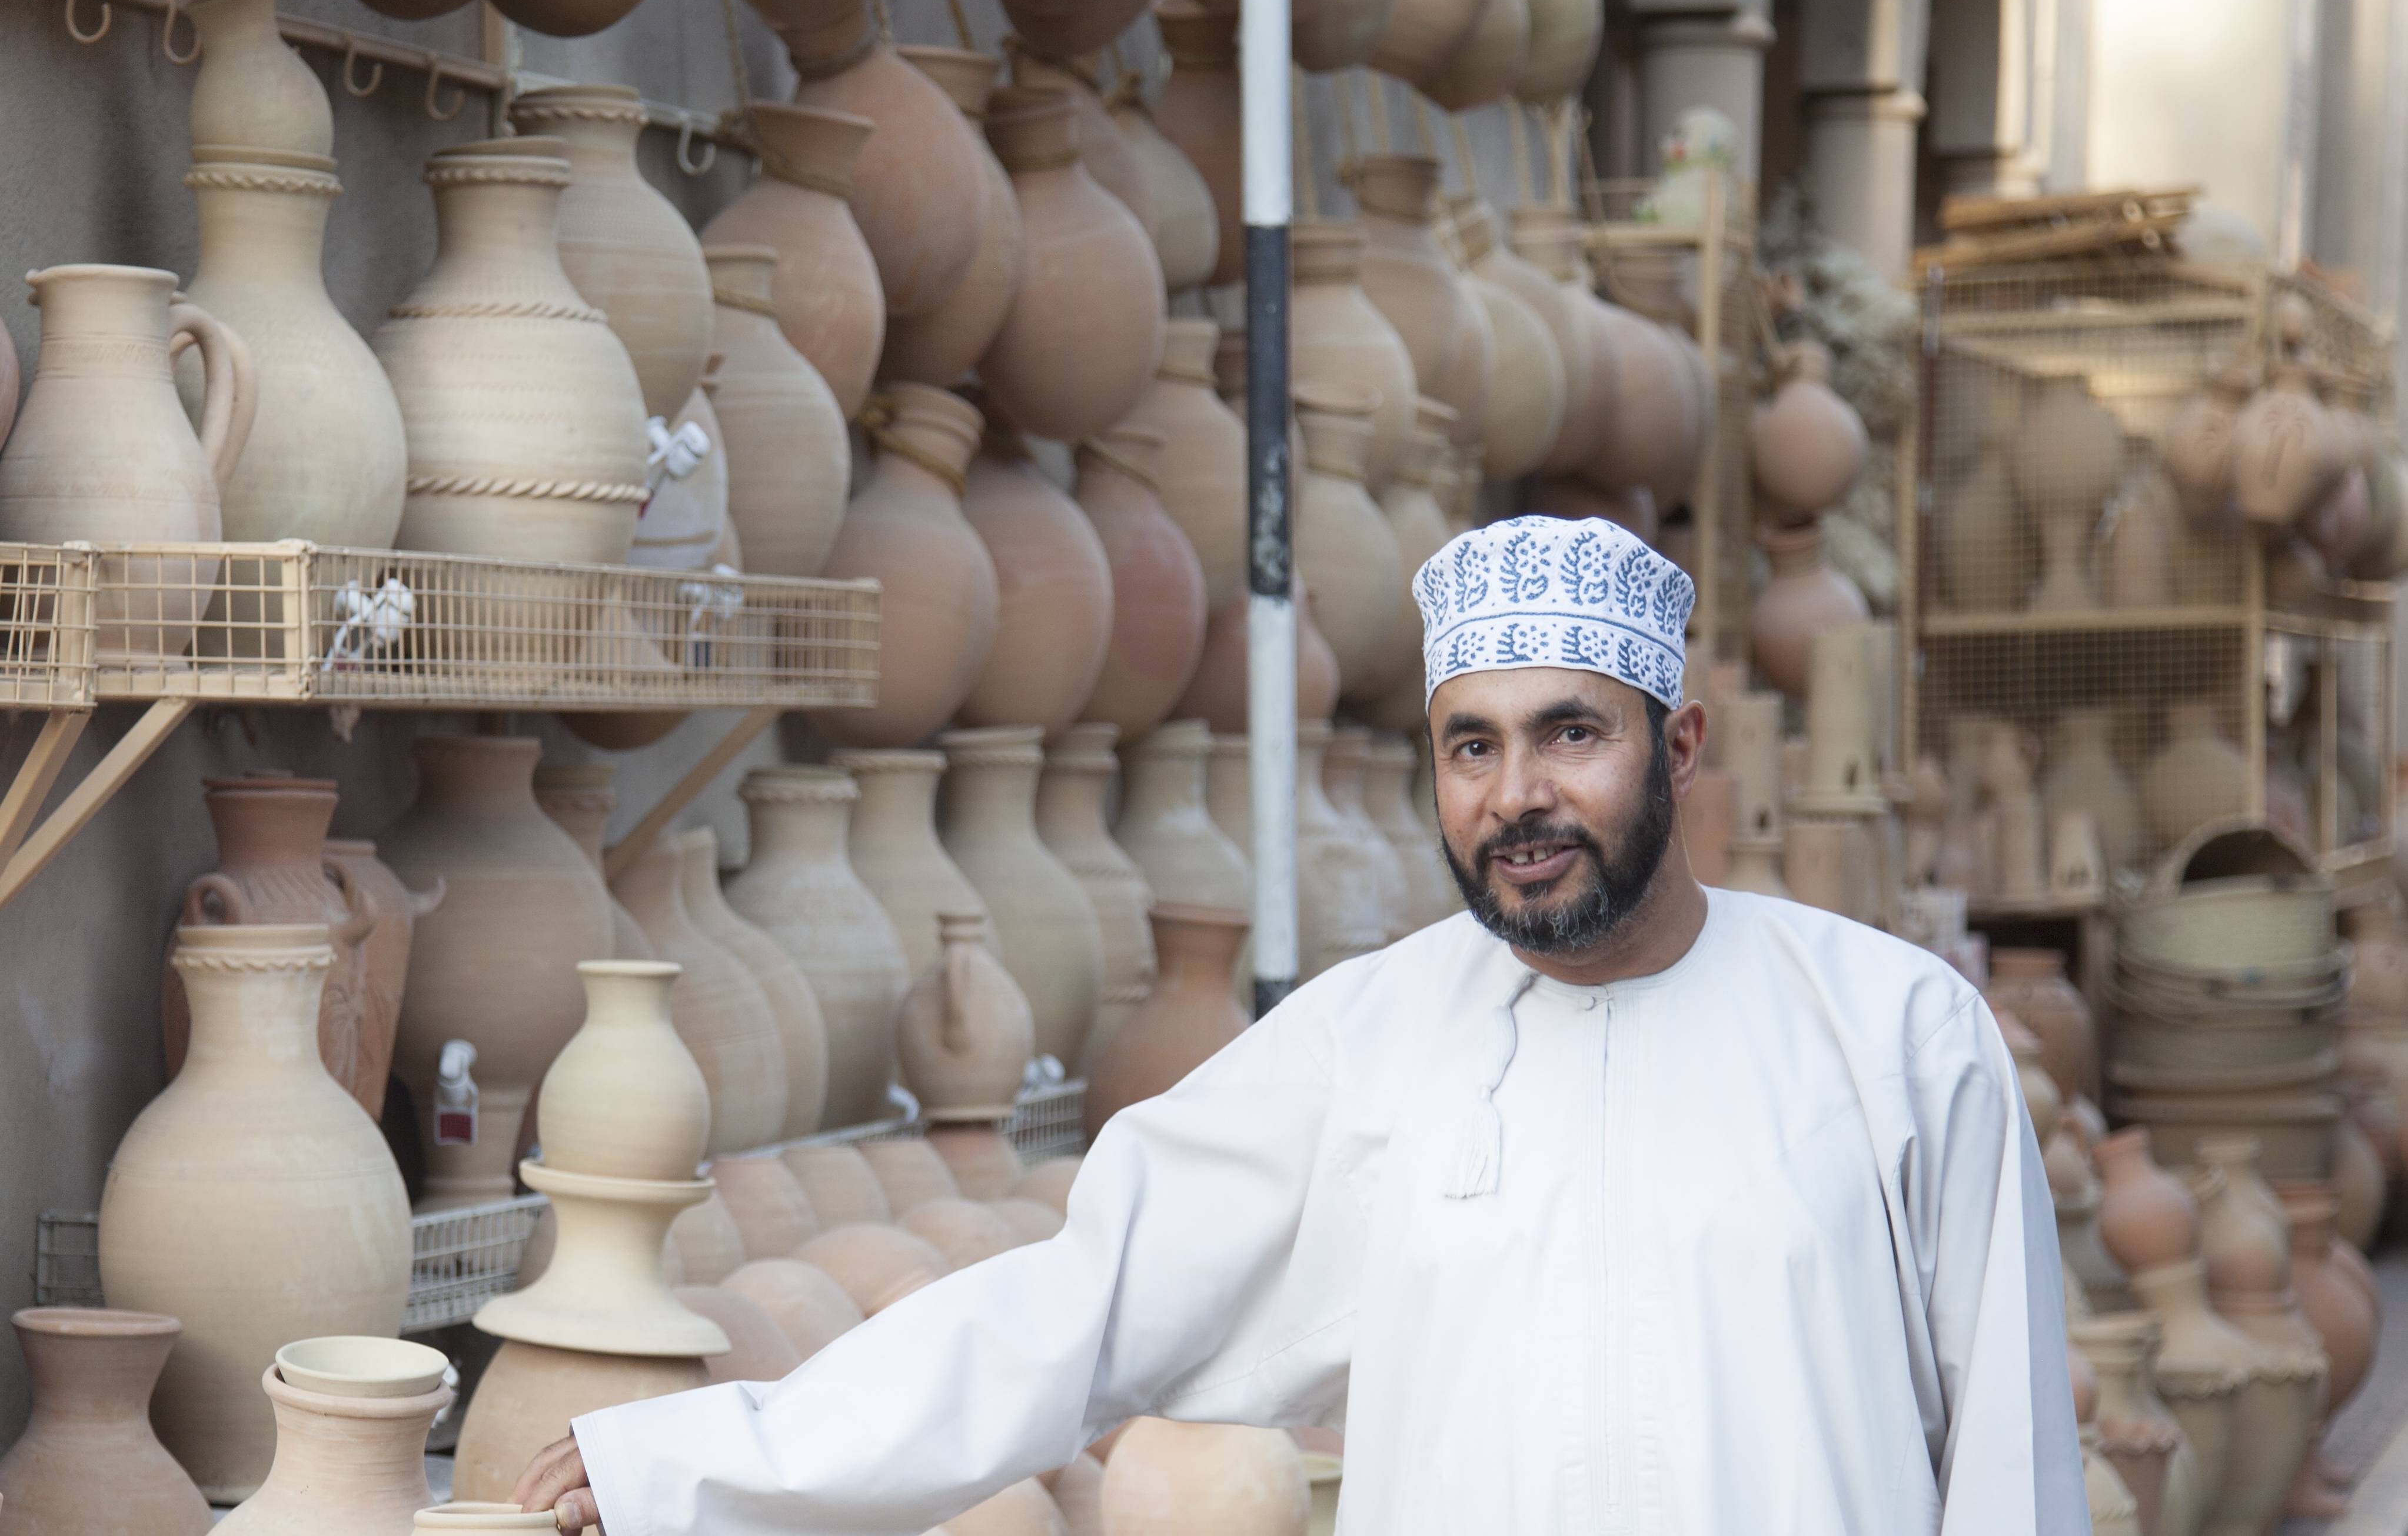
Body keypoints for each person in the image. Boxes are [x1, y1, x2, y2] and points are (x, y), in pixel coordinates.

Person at [515, 515, 2084, 1535]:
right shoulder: (1372, 1044)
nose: (1517, 795)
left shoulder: (1894, 1036)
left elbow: (2011, 1469)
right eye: (1471, 747)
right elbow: (1071, 1314)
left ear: (1676, 745)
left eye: (1570, 735)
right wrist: (691, 1465)